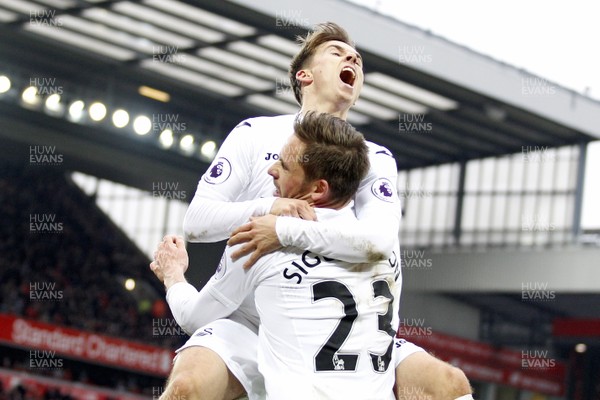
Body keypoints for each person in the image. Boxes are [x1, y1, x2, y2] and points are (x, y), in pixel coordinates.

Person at [174, 22, 472, 400]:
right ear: (304, 75)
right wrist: (272, 206)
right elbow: (196, 223)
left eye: (358, 60)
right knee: (188, 386)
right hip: (248, 321)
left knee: (450, 385)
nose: (352, 58)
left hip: (341, 325)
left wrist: (282, 231)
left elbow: (378, 241)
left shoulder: (372, 159)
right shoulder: (253, 133)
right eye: (337, 53)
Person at [152, 112, 399, 399]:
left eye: (284, 165)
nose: (271, 170)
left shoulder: (261, 239)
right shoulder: (384, 248)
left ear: (319, 188)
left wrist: (173, 275)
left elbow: (194, 317)